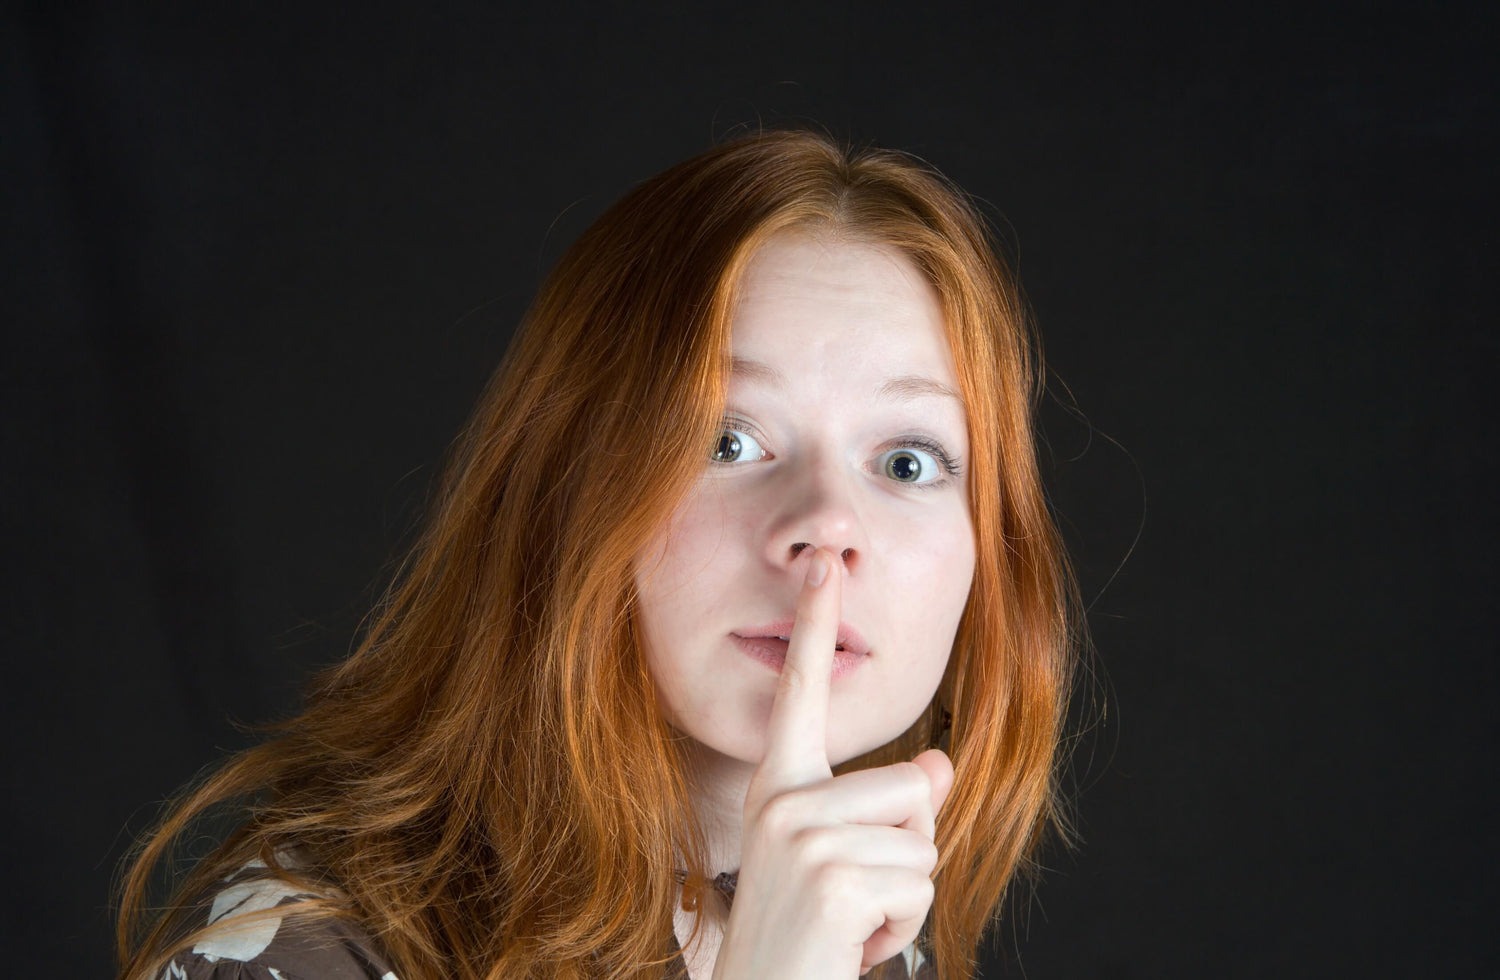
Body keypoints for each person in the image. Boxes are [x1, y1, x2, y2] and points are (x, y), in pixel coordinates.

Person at [115, 127, 1082, 980]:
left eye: (908, 460)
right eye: (724, 440)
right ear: (561, 490)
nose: (826, 524)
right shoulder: (294, 953)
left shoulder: (866, 923)